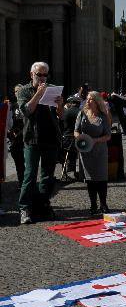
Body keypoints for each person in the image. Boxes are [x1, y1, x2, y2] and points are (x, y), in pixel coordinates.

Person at [16, 61, 63, 224]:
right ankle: (24, 208)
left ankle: (43, 204)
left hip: (50, 137)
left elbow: (60, 115)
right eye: (39, 74)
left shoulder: (52, 88)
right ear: (31, 75)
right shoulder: (24, 90)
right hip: (32, 138)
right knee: (29, 175)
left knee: (47, 176)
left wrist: (60, 105)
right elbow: (26, 110)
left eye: (45, 74)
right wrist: (38, 93)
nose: (42, 78)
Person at [74, 91, 111, 214]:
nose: (88, 101)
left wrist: (94, 140)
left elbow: (108, 136)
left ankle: (103, 204)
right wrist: (80, 138)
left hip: (100, 151)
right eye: (87, 99)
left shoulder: (103, 116)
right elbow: (76, 131)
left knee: (101, 178)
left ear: (97, 102)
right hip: (86, 151)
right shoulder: (82, 114)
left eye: (91, 99)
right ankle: (93, 205)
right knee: (90, 179)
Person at [61, 96, 82, 180]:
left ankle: (66, 172)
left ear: (71, 103)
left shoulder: (65, 112)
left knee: (66, 156)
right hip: (76, 137)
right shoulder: (80, 112)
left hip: (66, 136)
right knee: (74, 155)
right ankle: (73, 172)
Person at [7, 90, 24, 188]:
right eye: (16, 91)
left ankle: (25, 183)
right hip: (14, 139)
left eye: (19, 91)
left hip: (24, 137)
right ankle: (22, 182)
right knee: (19, 163)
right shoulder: (11, 106)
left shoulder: (25, 104)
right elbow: (9, 123)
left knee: (24, 163)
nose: (17, 93)